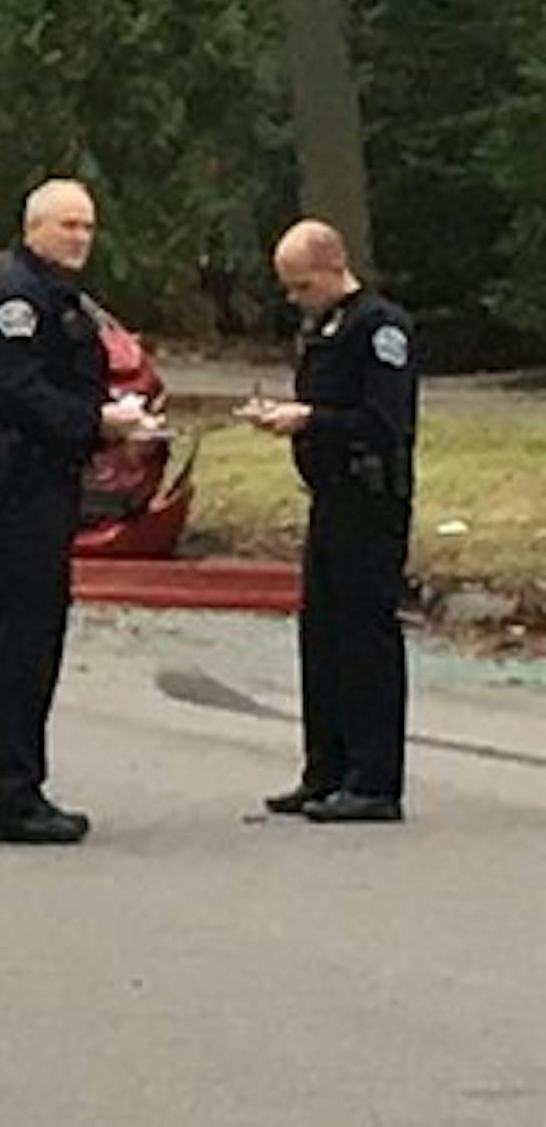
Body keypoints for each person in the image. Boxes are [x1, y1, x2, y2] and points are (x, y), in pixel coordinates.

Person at [0, 179, 157, 845]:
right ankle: (12, 794)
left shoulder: (56, 295)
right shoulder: (13, 295)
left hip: (44, 480)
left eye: (88, 227)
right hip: (17, 483)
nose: (80, 238)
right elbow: (19, 391)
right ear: (34, 224)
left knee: (37, 635)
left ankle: (20, 783)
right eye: (68, 225)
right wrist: (96, 423)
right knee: (22, 640)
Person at [241, 220, 416, 824]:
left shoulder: (379, 328)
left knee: (365, 635)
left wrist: (310, 420)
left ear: (333, 266)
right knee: (322, 637)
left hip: (369, 497)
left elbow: (383, 420)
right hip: (329, 496)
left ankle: (374, 779)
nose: (295, 298)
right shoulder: (324, 327)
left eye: (301, 285)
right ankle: (326, 769)